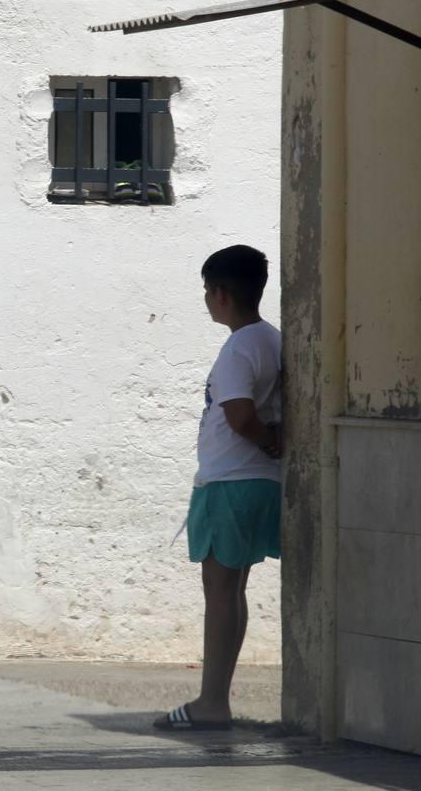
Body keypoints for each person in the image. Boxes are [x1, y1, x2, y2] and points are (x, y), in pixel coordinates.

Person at [156, 245, 282, 731]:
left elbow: (239, 414)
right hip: (252, 482)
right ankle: (215, 696)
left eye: (208, 291)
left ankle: (212, 701)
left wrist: (268, 444)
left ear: (222, 294)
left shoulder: (238, 348)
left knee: (220, 590)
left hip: (231, 481)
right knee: (233, 589)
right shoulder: (270, 339)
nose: (207, 300)